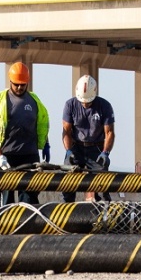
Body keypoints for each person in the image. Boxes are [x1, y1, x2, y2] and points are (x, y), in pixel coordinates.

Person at [0, 62, 50, 206]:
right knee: (5, 199)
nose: (19, 88)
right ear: (10, 81)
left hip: (28, 155)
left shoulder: (34, 101)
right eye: (16, 84)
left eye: (23, 85)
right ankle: (4, 226)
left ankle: (27, 226)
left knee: (30, 198)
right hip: (4, 155)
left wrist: (46, 144)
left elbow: (39, 124)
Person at [61, 74, 115, 203]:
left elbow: (110, 133)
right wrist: (68, 151)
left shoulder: (104, 106)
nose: (85, 104)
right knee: (68, 183)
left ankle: (103, 213)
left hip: (96, 148)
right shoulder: (70, 105)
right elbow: (66, 131)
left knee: (102, 184)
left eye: (88, 101)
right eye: (83, 101)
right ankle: (67, 212)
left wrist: (105, 152)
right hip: (76, 146)